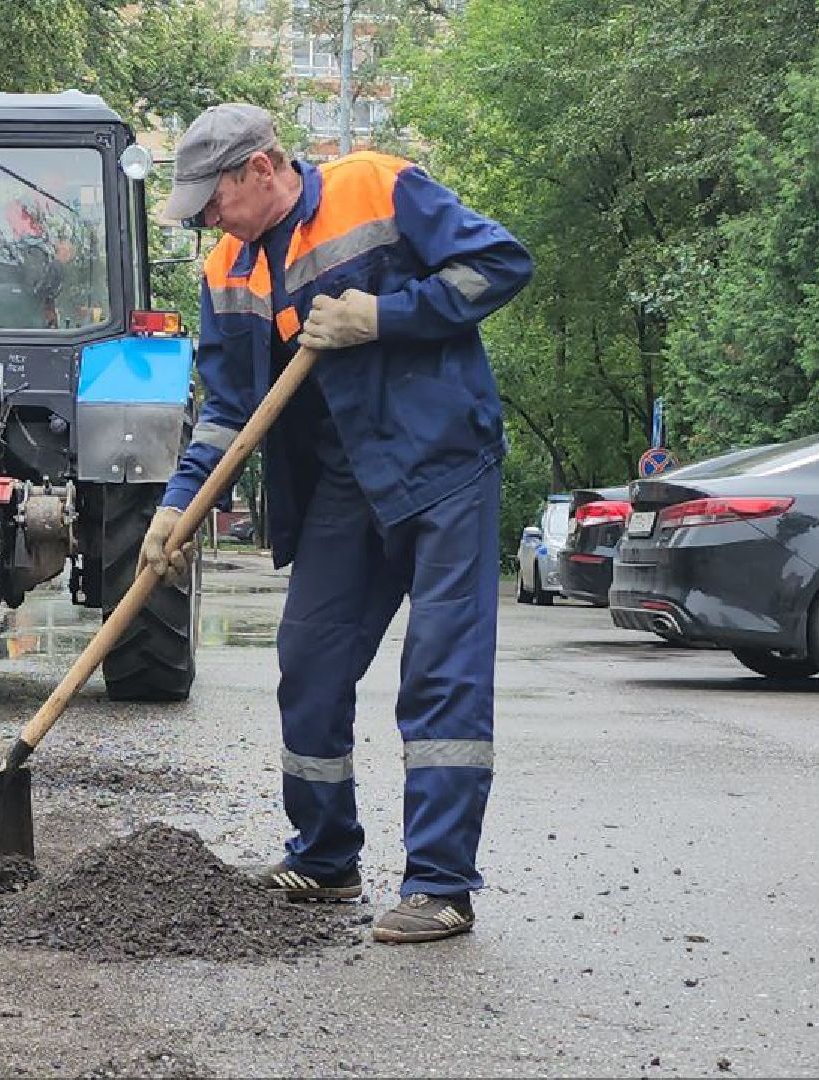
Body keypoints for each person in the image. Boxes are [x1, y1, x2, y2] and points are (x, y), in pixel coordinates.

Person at [144, 104, 533, 943]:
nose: (206, 218)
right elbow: (228, 412)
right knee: (309, 661)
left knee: (440, 672)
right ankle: (324, 857)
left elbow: (500, 264)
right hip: (341, 488)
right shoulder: (226, 270)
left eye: (212, 198)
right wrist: (177, 505)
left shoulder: (373, 187)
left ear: (259, 167)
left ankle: (440, 884)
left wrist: (381, 317)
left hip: (442, 466)